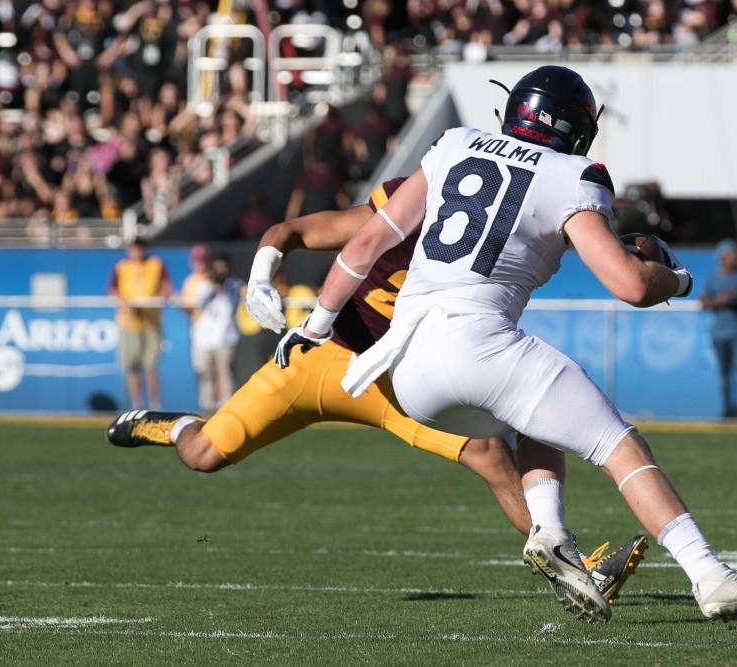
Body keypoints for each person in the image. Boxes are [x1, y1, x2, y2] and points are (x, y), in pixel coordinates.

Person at [275, 66, 737, 623]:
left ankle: (549, 532)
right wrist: (679, 278)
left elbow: (366, 241)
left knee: (536, 414)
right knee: (620, 446)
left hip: (406, 369)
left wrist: (315, 325)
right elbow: (629, 285)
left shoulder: (454, 143)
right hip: (476, 343)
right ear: (573, 126)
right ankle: (710, 576)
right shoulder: (576, 173)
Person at [107, 184, 649, 608]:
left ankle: (571, 568)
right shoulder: (402, 206)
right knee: (203, 454)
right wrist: (261, 275)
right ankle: (173, 425)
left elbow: (579, 243)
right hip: (320, 358)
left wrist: (630, 252)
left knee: (492, 456)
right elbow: (289, 229)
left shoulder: (512, 216)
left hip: (396, 375)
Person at [108, 239, 172, 409]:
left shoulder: (155, 263)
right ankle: (137, 405)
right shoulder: (121, 266)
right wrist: (125, 303)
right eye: (133, 249)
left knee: (150, 366)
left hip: (151, 323)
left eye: (139, 249)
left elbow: (166, 286)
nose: (136, 252)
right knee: (132, 367)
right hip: (128, 324)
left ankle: (155, 405)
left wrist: (161, 297)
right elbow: (112, 290)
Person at [700, 240, 737, 419]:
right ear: (724, 257)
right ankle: (728, 408)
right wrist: (721, 300)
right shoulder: (713, 277)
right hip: (720, 332)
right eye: (732, 254)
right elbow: (704, 302)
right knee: (724, 375)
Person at [190, 255, 242, 413]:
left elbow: (232, 303)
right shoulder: (204, 285)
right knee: (206, 373)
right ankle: (208, 405)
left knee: (226, 372)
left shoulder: (235, 285)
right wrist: (213, 287)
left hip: (226, 337)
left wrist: (222, 288)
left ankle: (226, 405)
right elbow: (200, 306)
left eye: (223, 268)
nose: (221, 271)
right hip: (204, 338)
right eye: (218, 268)